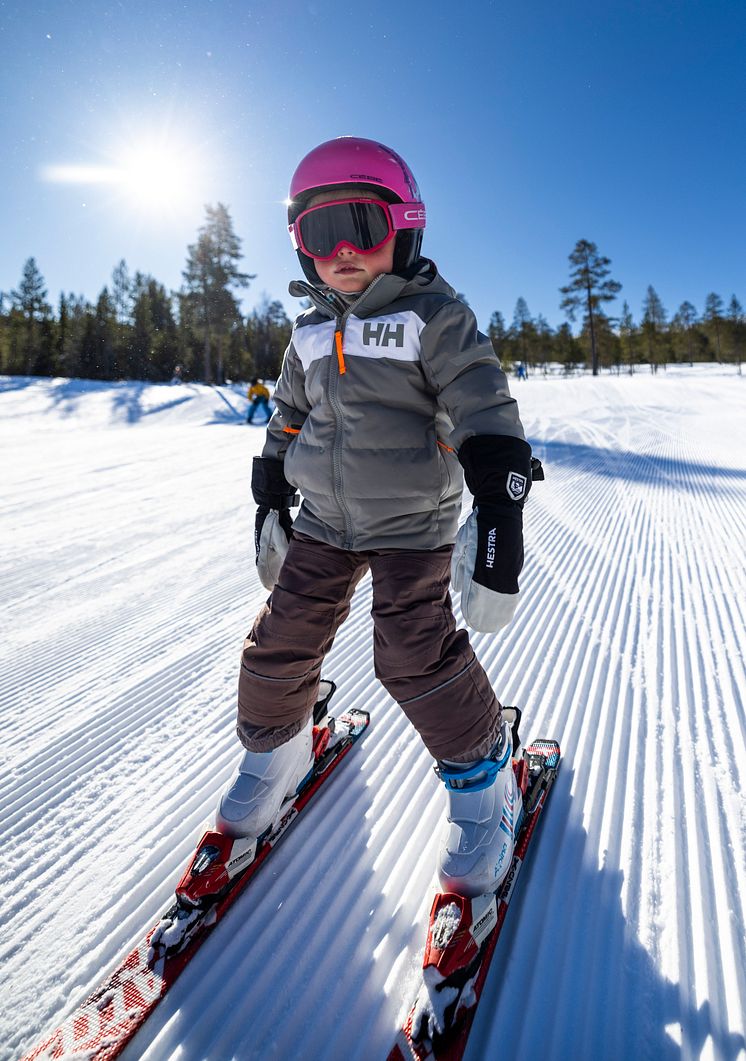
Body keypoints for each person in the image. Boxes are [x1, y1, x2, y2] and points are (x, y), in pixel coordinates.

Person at [216, 137, 535, 899]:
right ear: (302, 246)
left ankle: (486, 785)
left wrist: (500, 510)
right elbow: (289, 416)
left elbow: (484, 406)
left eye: (363, 222)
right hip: (325, 520)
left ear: (407, 225)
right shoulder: (307, 333)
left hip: (412, 522)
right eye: (324, 234)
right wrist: (270, 492)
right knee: (274, 644)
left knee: (411, 653)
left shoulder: (435, 318)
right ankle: (276, 756)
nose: (346, 250)